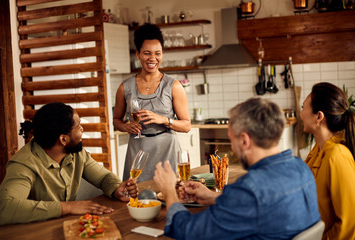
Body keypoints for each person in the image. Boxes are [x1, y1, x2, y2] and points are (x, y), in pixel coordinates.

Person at [154, 98, 320, 239]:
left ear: (245, 141)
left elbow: (187, 232)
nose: (232, 147)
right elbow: (259, 208)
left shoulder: (250, 189)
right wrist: (213, 197)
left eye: (231, 140)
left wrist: (169, 192)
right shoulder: (301, 168)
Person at [0, 102, 138, 225]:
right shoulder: (23, 164)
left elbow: (103, 177)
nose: (82, 129)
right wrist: (67, 207)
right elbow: (3, 208)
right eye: (78, 126)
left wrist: (116, 189)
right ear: (63, 139)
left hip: (66, 226)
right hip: (34, 230)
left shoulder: (76, 152)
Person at [113, 24, 190, 183]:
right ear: (138, 54)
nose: (152, 58)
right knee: (135, 198)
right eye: (147, 53)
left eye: (157, 53)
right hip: (137, 151)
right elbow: (116, 121)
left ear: (162, 54)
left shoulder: (173, 86)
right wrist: (126, 126)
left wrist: (164, 120)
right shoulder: (124, 87)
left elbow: (186, 125)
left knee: (169, 197)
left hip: (167, 151)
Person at [300, 82, 355, 239]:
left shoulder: (337, 155)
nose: (301, 113)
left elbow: (350, 224)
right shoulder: (319, 147)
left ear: (319, 117)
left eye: (303, 107)